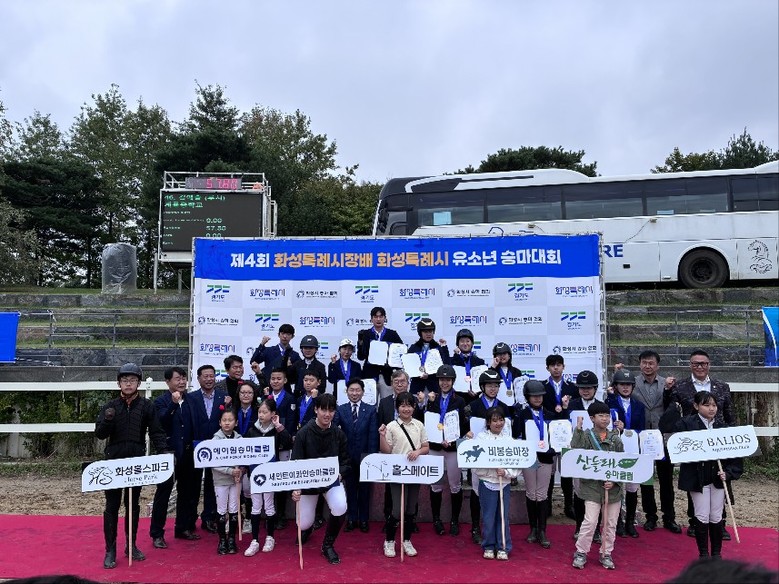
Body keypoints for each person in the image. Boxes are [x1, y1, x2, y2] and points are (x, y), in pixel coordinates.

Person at [94, 363, 169, 569]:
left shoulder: (147, 406)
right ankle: (110, 549)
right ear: (118, 383)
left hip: (136, 462)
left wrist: (163, 451)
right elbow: (99, 433)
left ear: (138, 383)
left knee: (132, 504)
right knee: (111, 506)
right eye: (125, 380)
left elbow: (156, 431)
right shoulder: (110, 406)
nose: (128, 384)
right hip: (114, 462)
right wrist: (108, 420)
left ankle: (131, 545)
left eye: (133, 380)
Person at [662, 391, 743, 560]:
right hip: (697, 477)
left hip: (718, 477)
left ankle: (716, 553)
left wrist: (729, 473)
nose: (711, 408)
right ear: (696, 406)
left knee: (716, 515)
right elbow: (672, 443)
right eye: (706, 405)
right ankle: (704, 554)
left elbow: (734, 455)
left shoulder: (722, 427)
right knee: (702, 514)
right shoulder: (686, 424)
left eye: (714, 405)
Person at [668, 350, 736, 540]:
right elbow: (672, 411)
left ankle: (720, 523)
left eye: (703, 363)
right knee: (696, 483)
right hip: (693, 443)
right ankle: (695, 522)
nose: (700, 366)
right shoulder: (680, 386)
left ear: (709, 364)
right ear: (690, 365)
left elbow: (729, 414)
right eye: (696, 363)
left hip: (719, 441)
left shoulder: (722, 386)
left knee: (720, 481)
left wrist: (731, 437)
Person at [291, 394, 351, 565]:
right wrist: (295, 489)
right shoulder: (303, 433)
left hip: (331, 482)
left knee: (340, 506)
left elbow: (346, 462)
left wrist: (339, 474)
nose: (327, 414)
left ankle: (327, 545)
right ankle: (307, 528)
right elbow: (295, 464)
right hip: (308, 484)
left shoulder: (338, 434)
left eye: (331, 410)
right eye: (323, 410)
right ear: (316, 410)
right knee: (303, 524)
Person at [628, 350, 680, 533]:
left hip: (663, 439)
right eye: (644, 362)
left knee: (666, 480)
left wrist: (670, 389)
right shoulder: (632, 383)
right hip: (642, 439)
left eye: (651, 363)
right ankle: (650, 516)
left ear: (658, 365)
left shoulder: (668, 383)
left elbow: (674, 404)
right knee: (646, 480)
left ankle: (669, 517)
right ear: (639, 364)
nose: (647, 366)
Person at [571, 401, 624, 571]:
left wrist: (614, 481)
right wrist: (578, 429)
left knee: (610, 523)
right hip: (592, 488)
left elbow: (622, 464)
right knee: (590, 521)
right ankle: (581, 551)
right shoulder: (586, 436)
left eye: (607, 416)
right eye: (601, 416)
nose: (605, 419)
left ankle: (606, 553)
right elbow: (576, 452)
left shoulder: (615, 439)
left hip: (613, 490)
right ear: (592, 418)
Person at [378, 391, 430, 558]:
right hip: (397, 473)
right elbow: (386, 451)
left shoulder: (419, 425)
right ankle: (389, 540)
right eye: (402, 406)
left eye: (409, 405)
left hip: (414, 472)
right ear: (397, 408)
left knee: (410, 508)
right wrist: (382, 436)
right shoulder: (391, 426)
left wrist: (418, 452)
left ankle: (406, 540)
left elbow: (426, 447)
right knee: (396, 509)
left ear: (414, 407)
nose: (406, 409)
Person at [422, 364, 471, 536]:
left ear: (453, 381)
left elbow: (463, 425)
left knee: (455, 485)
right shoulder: (432, 398)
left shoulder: (460, 400)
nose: (445, 383)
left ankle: (454, 520)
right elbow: (426, 422)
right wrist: (426, 403)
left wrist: (456, 437)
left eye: (448, 380)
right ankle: (436, 519)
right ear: (438, 381)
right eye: (442, 379)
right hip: (435, 447)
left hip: (452, 448)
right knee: (435, 485)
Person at [516, 379, 564, 550]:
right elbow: (516, 435)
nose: (537, 398)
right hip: (529, 459)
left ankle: (543, 530)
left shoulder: (550, 415)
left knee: (542, 494)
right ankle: (533, 528)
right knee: (531, 493)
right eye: (533, 396)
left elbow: (557, 436)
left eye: (540, 396)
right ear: (527, 397)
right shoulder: (522, 415)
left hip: (545, 458)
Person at [466, 368, 512, 544]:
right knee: (477, 491)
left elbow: (509, 431)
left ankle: (496, 532)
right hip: (479, 457)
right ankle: (475, 527)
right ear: (482, 387)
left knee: (496, 496)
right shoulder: (472, 406)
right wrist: (466, 434)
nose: (493, 389)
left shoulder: (504, 407)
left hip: (499, 458)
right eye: (489, 385)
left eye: (496, 386)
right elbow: (462, 427)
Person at [242, 398, 292, 556]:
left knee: (269, 505)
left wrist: (278, 426)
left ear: (273, 414)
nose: (261, 415)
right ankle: (255, 540)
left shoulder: (276, 430)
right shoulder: (252, 430)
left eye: (265, 412)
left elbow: (288, 443)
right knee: (256, 506)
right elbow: (245, 450)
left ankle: (270, 537)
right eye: (259, 412)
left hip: (270, 474)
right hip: (255, 474)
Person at [149, 367, 193, 549]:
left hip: (188, 453)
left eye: (183, 378)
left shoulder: (190, 399)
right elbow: (162, 420)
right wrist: (173, 404)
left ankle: (182, 527)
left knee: (186, 492)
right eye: (177, 379)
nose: (181, 382)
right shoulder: (160, 401)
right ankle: (157, 533)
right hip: (168, 453)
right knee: (163, 494)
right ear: (168, 382)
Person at [187, 364, 228, 534]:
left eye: (212, 376)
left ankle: (209, 518)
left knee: (213, 484)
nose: (209, 379)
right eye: (206, 376)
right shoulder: (191, 397)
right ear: (199, 379)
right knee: (193, 484)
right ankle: (190, 519)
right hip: (196, 447)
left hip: (217, 447)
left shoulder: (223, 397)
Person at [605, 370, 646, 538]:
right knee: (616, 486)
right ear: (616, 386)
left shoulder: (639, 405)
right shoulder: (609, 403)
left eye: (628, 384)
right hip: (615, 449)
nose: (625, 387)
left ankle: (630, 521)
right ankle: (617, 522)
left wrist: (628, 429)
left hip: (633, 449)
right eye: (622, 384)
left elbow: (641, 429)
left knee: (632, 488)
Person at [475, 407, 518, 560]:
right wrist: (490, 468)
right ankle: (488, 545)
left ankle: (503, 546)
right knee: (488, 517)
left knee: (502, 516)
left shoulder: (509, 440)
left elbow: (517, 462)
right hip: (487, 482)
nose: (498, 423)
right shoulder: (481, 438)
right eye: (494, 420)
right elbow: (475, 463)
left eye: (501, 420)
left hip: (503, 483)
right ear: (488, 422)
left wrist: (506, 472)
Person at [336, 378, 379, 532]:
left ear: (362, 392)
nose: (354, 393)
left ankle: (364, 519)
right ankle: (352, 519)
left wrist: (371, 457)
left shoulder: (371, 410)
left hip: (365, 457)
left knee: (365, 490)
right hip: (347, 458)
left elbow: (373, 435)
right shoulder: (340, 410)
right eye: (351, 390)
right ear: (347, 392)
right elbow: (335, 433)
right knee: (350, 489)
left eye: (357, 390)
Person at [568, 369, 604, 540]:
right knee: (579, 492)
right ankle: (579, 527)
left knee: (597, 493)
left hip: (596, 454)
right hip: (578, 454)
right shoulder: (572, 405)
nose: (586, 391)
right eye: (582, 388)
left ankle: (596, 529)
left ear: (595, 388)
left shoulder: (602, 406)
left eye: (589, 387)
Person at [541, 354, 578, 520]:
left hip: (566, 434)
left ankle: (569, 505)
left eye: (558, 365)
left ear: (564, 367)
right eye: (552, 365)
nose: (556, 368)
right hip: (549, 433)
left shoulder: (572, 387)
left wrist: (564, 408)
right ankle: (547, 505)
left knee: (567, 470)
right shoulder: (541, 386)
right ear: (547, 368)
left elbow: (575, 408)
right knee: (549, 471)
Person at [264, 366, 297, 529]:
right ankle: (269, 513)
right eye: (273, 379)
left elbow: (291, 421)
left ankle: (282, 514)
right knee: (268, 479)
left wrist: (287, 437)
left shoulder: (290, 398)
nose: (275, 381)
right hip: (267, 444)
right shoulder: (265, 397)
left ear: (285, 380)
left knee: (282, 480)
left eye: (279, 378)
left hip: (283, 444)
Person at [212, 408, 244, 555]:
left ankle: (231, 539)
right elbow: (213, 462)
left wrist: (241, 470)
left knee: (233, 509)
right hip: (221, 480)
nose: (227, 423)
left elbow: (246, 457)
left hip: (236, 481)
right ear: (220, 422)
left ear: (236, 423)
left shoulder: (240, 439)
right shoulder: (215, 440)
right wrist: (230, 471)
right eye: (224, 420)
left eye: (230, 420)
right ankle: (222, 540)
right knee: (221, 510)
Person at [357, 306, 404, 401]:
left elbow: (400, 354)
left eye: (381, 316)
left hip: (387, 375)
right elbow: (360, 357)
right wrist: (360, 343)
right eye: (375, 317)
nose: (378, 319)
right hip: (369, 375)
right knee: (369, 404)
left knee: (387, 404)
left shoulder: (392, 334)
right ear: (371, 319)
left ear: (385, 318)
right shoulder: (365, 334)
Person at [234, 382, 260, 534]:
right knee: (234, 488)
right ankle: (234, 518)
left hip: (251, 455)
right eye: (243, 392)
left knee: (248, 488)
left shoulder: (258, 411)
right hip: (234, 455)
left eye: (249, 392)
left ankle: (249, 518)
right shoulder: (232, 410)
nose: (246, 395)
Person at [407, 318, 451, 396]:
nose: (428, 334)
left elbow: (446, 366)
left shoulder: (439, 348)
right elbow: (409, 367)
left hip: (434, 387)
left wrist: (444, 348)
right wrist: (418, 374)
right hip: (417, 387)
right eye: (425, 331)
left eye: (431, 331)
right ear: (420, 332)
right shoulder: (413, 348)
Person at [450, 328, 486, 404]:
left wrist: (478, 392)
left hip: (475, 399)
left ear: (472, 343)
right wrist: (457, 356)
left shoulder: (480, 362)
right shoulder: (452, 361)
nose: (465, 344)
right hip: (456, 399)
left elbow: (483, 382)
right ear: (457, 344)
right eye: (462, 341)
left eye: (467, 341)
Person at [490, 342, 522, 407]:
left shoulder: (516, 372)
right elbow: (488, 384)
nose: (502, 356)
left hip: (514, 407)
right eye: (499, 354)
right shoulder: (492, 371)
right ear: (495, 357)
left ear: (509, 356)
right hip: (497, 407)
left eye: (504, 354)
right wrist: (493, 367)